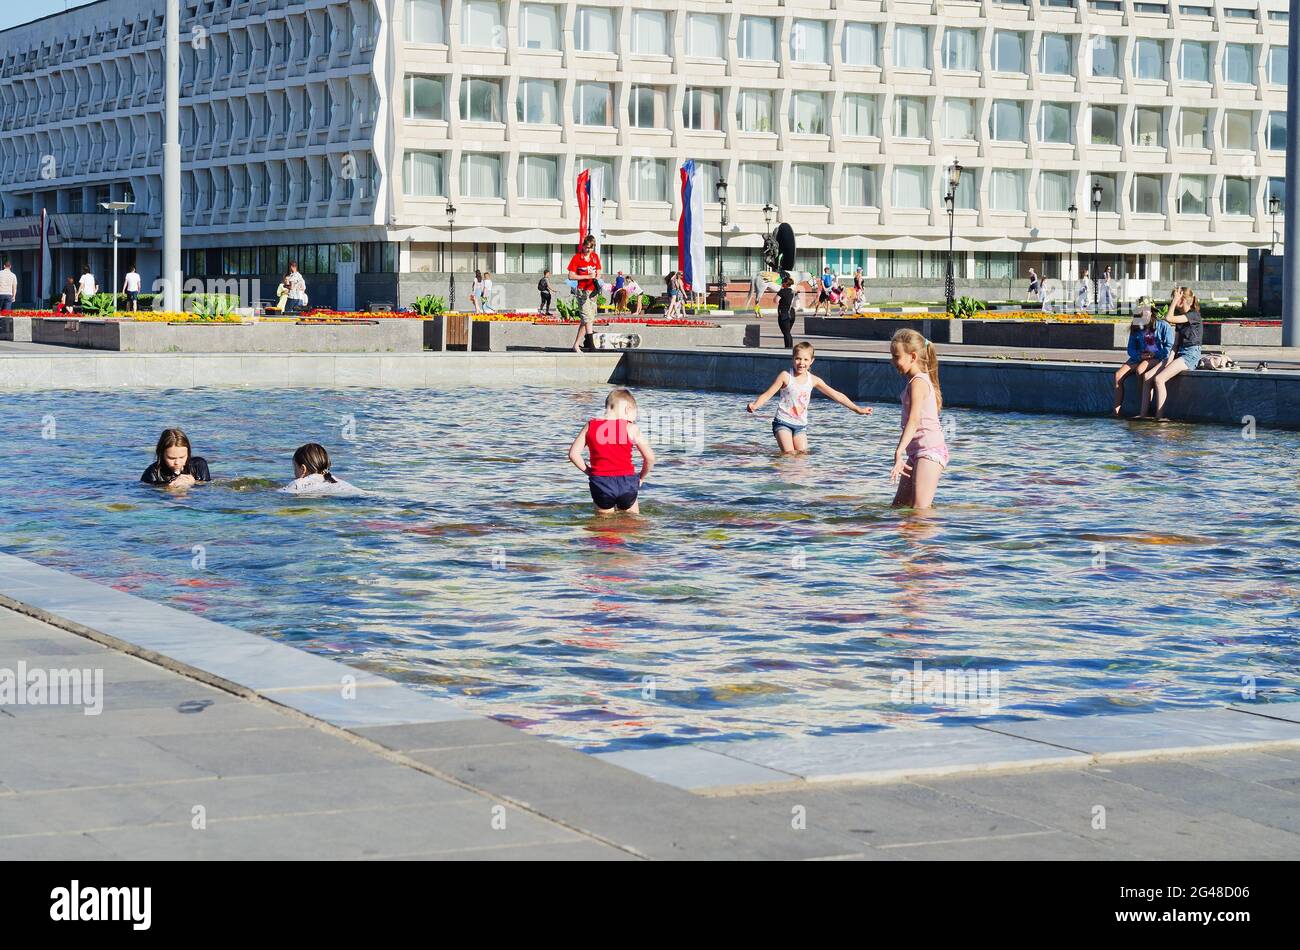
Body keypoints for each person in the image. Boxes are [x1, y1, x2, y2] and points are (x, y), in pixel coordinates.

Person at [747, 341, 873, 454]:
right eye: (798, 359)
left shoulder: (813, 380)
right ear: (793, 359)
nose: (801, 363)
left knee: (802, 455)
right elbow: (768, 394)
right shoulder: (786, 376)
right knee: (789, 454)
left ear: (812, 361)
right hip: (782, 422)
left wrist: (857, 409)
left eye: (805, 360)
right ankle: (782, 476)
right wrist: (755, 405)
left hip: (800, 426)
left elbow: (837, 396)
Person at [567, 388, 655, 514]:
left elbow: (573, 454)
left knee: (603, 527)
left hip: (601, 483)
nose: (633, 420)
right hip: (627, 482)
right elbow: (650, 458)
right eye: (634, 416)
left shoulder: (591, 425)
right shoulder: (631, 428)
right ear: (627, 410)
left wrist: (590, 472)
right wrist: (641, 477)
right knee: (633, 524)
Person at [889, 329, 948, 510]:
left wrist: (898, 452)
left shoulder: (918, 383)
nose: (893, 362)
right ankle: (906, 537)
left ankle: (925, 537)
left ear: (912, 356)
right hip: (917, 453)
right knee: (898, 506)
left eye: (896, 356)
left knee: (919, 511)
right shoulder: (915, 381)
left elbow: (913, 421)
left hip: (929, 452)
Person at [1146, 287, 1203, 421]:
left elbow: (1168, 317)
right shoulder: (1181, 321)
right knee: (1149, 376)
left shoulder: (1193, 315)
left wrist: (1175, 300)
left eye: (1175, 298)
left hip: (1190, 354)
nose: (1173, 300)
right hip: (1179, 353)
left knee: (1159, 379)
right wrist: (1168, 361)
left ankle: (1160, 418)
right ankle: (1144, 414)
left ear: (1182, 300)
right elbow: (1175, 345)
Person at [1114, 297, 1171, 416]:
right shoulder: (1136, 326)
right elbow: (1131, 349)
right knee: (1118, 375)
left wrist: (1154, 354)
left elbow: (1169, 347)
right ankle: (1116, 412)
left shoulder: (1163, 325)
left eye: (1147, 310)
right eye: (1141, 310)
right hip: (1139, 358)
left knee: (1140, 370)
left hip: (1157, 357)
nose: (1144, 313)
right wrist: (1140, 356)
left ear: (1152, 311)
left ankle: (1145, 406)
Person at [280, 443, 364, 495]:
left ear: (303, 469)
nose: (294, 473)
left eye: (295, 468)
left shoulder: (298, 484)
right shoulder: (336, 480)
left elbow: (279, 494)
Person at [140, 428, 211, 489]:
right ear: (161, 454)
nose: (177, 462)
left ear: (188, 453)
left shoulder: (198, 465)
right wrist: (170, 487)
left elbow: (207, 488)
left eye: (182, 457)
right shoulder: (152, 472)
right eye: (171, 458)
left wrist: (194, 482)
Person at [567, 234, 601, 352]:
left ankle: (576, 345)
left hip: (593, 291)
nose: (588, 250)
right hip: (582, 291)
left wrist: (597, 278)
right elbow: (571, 276)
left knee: (587, 319)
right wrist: (586, 276)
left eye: (591, 248)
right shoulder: (577, 258)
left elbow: (599, 271)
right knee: (587, 318)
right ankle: (591, 345)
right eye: (587, 247)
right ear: (583, 246)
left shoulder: (595, 257)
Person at [776, 274, 797, 348]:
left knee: (786, 333)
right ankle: (790, 347)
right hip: (792, 313)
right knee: (788, 332)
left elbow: (775, 300)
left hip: (784, 314)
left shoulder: (782, 291)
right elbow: (796, 303)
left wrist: (780, 292)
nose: (781, 284)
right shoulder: (794, 292)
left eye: (782, 282)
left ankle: (788, 348)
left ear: (785, 284)